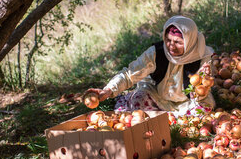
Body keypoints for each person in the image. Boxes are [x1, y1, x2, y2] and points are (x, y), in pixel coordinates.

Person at [86, 15, 215, 116]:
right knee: (137, 100)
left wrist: (204, 83)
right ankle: (166, 120)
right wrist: (108, 90)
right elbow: (129, 74)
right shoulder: (156, 52)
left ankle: (169, 119)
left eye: (178, 42)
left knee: (203, 110)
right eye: (168, 40)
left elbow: (201, 92)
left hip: (186, 103)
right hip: (158, 97)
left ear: (189, 41)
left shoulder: (201, 57)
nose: (171, 46)